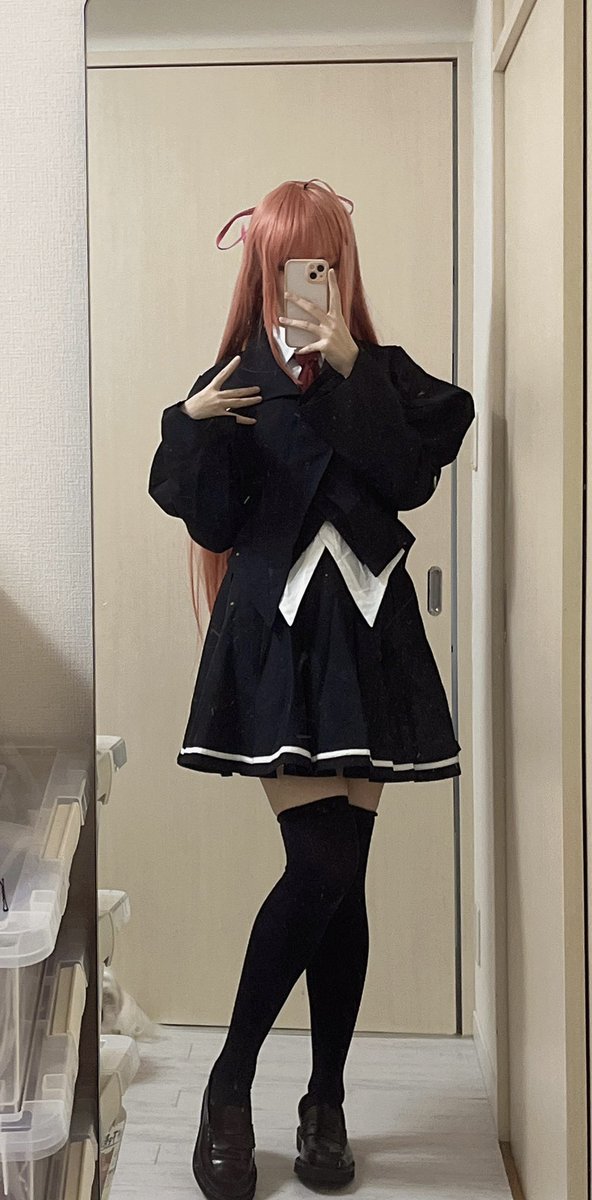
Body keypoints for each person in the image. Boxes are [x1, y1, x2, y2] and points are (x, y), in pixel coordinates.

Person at [148, 179, 475, 1200]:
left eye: (323, 262)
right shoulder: (235, 382)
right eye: (292, 263)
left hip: (369, 635)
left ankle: (323, 1099)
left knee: (343, 878)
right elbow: (211, 520)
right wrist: (192, 423)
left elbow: (412, 473)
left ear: (340, 268)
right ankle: (231, 1083)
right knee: (323, 865)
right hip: (278, 641)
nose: (308, 280)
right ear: (263, 268)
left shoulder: (376, 372)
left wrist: (349, 370)